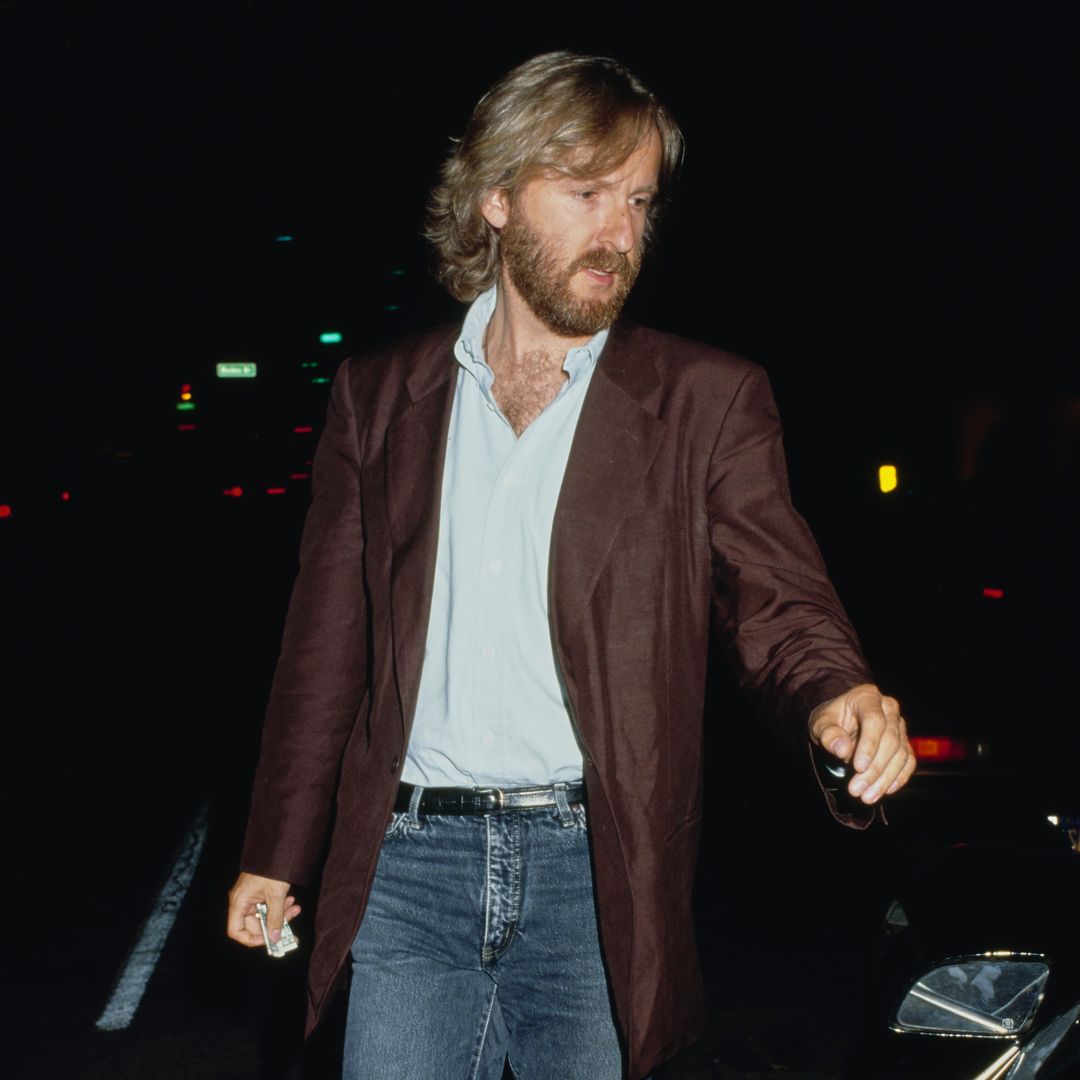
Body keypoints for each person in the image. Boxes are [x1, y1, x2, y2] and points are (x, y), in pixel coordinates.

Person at [227, 51, 914, 1080]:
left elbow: (777, 600)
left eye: (638, 201)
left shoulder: (703, 400)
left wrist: (836, 692)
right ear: (496, 198)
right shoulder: (380, 397)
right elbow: (326, 651)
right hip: (408, 867)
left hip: (594, 876)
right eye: (588, 193)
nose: (621, 233)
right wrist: (275, 855)